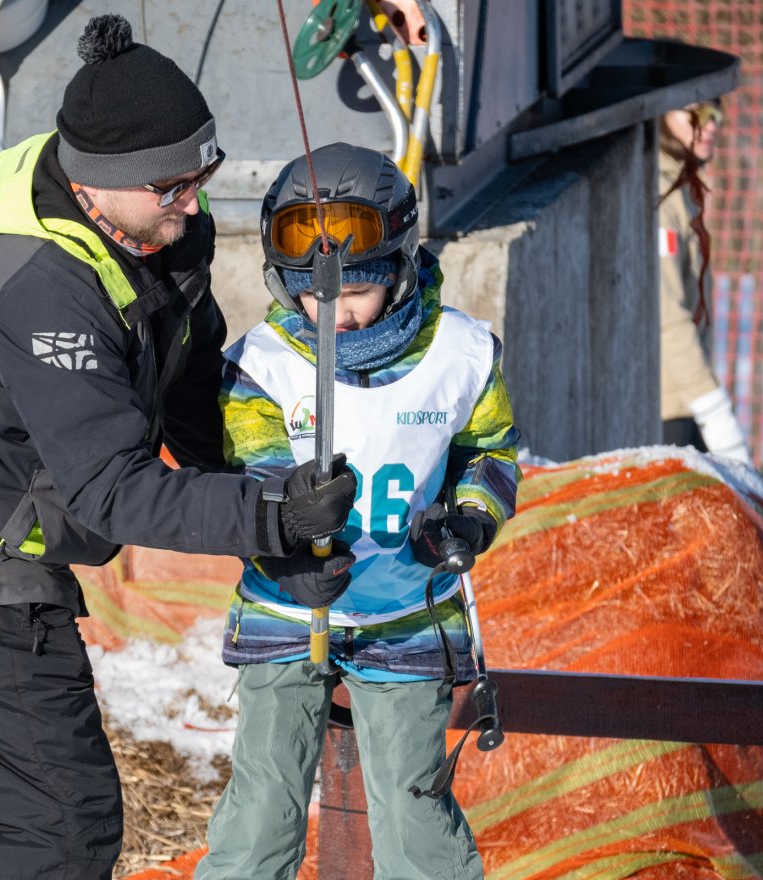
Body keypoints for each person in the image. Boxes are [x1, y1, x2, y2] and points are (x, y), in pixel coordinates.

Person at [0, 15, 357, 880]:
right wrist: (270, 517)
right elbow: (112, 489)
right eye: (173, 184)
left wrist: (272, 523)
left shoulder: (157, 227)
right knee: (60, 829)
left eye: (202, 172)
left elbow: (184, 377)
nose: (194, 199)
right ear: (98, 188)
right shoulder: (46, 286)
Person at [195, 143, 521, 880]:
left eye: (354, 296)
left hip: (405, 614)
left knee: (413, 808)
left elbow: (490, 453)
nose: (333, 316)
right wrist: (287, 544)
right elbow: (253, 469)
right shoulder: (264, 363)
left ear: (400, 269)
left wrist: (469, 519)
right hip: (288, 608)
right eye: (313, 298)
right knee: (264, 803)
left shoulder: (460, 355)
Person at [658, 98, 750, 462]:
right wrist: (712, 407)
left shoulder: (680, 187)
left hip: (684, 401)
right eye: (696, 113)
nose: (711, 124)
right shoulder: (660, 195)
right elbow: (667, 315)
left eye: (716, 113)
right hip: (667, 405)